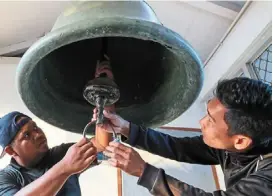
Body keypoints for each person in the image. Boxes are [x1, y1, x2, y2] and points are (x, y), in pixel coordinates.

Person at [93, 77, 272, 196]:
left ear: (240, 141)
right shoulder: (233, 148)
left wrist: (143, 171)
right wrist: (126, 128)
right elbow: (178, 147)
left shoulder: (268, 179)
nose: (202, 122)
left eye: (210, 120)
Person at [0, 111, 97, 196]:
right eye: (26, 135)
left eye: (35, 127)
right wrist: (65, 167)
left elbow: (101, 145)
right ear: (11, 151)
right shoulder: (5, 178)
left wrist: (104, 119)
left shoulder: (62, 154)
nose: (38, 135)